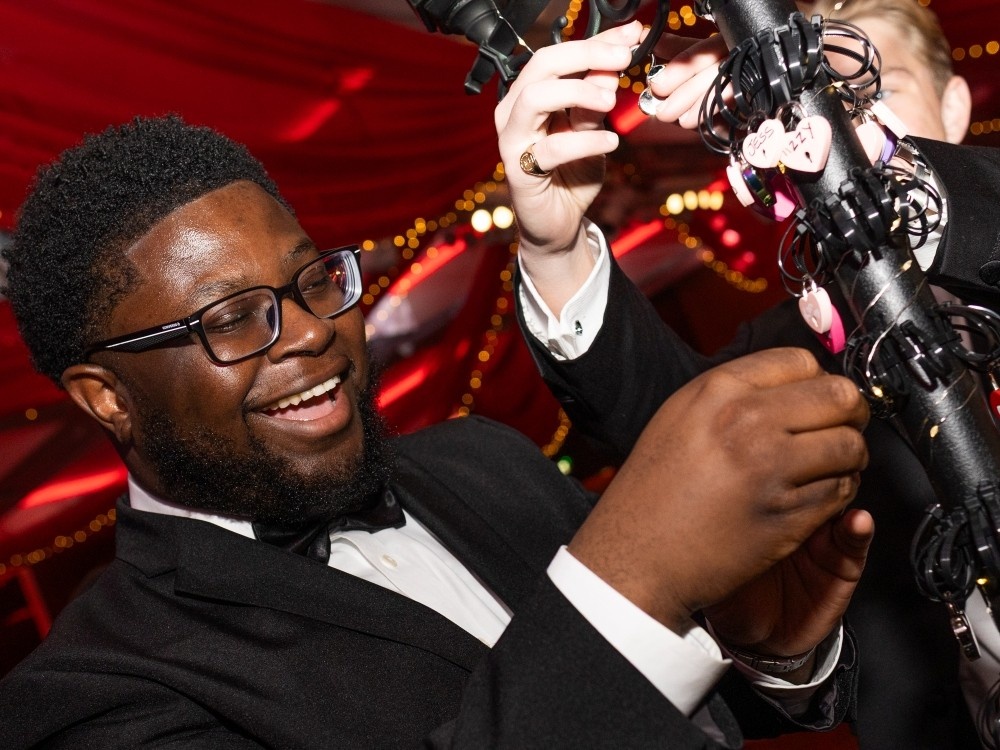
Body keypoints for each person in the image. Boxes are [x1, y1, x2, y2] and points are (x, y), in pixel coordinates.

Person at [0, 32, 874, 749]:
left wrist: (776, 656)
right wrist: (630, 583)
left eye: (312, 281)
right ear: (105, 396)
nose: (309, 330)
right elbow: (617, 641)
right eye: (231, 319)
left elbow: (678, 707)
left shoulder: (483, 456)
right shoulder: (93, 695)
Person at [503, 1, 995, 747]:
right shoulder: (798, 338)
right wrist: (555, 246)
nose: (834, 119)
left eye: (869, 84)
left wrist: (856, 170)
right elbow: (667, 437)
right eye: (822, 96)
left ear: (954, 104)